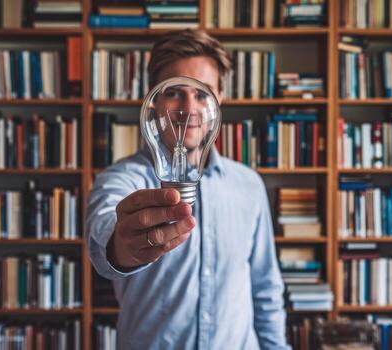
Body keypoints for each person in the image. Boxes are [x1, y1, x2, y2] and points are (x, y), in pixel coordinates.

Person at [86, 29, 290, 350]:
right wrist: (126, 247)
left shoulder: (248, 185)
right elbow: (106, 238)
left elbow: (265, 287)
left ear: (220, 98)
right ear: (153, 101)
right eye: (174, 92)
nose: (188, 107)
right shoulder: (121, 180)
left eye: (203, 93)